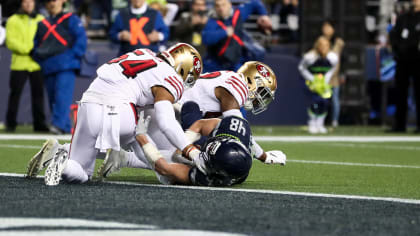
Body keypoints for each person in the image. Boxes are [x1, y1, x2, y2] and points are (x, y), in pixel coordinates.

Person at [26, 43, 203, 185]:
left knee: (80, 172)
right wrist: (191, 151)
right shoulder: (170, 78)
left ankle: (63, 160)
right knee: (146, 146)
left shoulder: (143, 53)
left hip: (88, 104)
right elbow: (166, 122)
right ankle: (121, 157)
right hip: (119, 111)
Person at [96, 62, 286, 181]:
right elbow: (238, 133)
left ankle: (121, 156)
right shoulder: (235, 86)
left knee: (188, 156)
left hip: (171, 112)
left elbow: (238, 133)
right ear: (251, 82)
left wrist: (262, 155)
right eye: (261, 92)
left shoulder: (230, 83)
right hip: (164, 110)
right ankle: (123, 156)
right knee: (197, 159)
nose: (261, 99)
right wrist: (263, 156)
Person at [32, 0, 87, 134]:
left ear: (63, 1)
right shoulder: (41, 24)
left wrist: (71, 57)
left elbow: (81, 40)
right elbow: (35, 45)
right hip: (49, 65)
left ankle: (58, 125)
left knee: (62, 96)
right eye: (49, 1)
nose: (51, 3)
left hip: (65, 65)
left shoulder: (72, 19)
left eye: (55, 0)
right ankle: (65, 126)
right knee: (52, 98)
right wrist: (41, 60)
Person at [4, 0, 49, 132]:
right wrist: (29, 50)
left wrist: (35, 50)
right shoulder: (13, 20)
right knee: (15, 95)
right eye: (26, 2)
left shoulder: (41, 19)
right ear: (21, 4)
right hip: (19, 64)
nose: (28, 4)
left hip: (36, 64)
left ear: (35, 4)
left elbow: (46, 38)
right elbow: (11, 41)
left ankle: (39, 124)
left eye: (31, 2)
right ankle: (10, 124)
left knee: (38, 95)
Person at [201, 0, 272, 72]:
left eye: (223, 5)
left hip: (236, 62)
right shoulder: (212, 21)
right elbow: (206, 39)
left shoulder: (238, 13)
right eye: (217, 5)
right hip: (217, 62)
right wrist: (224, 32)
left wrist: (264, 15)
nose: (221, 8)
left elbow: (255, 3)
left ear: (230, 4)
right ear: (215, 7)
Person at [389, 0, 420, 133]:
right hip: (402, 60)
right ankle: (399, 124)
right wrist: (396, 50)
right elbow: (394, 35)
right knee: (400, 93)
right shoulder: (404, 17)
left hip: (418, 60)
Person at [298, 36, 338, 134]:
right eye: (322, 46)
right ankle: (312, 123)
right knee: (314, 103)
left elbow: (333, 68)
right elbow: (301, 68)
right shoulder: (310, 57)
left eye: (326, 46)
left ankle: (320, 124)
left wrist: (326, 79)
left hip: (324, 84)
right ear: (318, 46)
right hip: (311, 83)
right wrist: (312, 79)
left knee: (324, 103)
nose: (324, 48)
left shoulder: (332, 57)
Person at [319, 19, 345, 128]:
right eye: (324, 27)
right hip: (323, 75)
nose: (325, 29)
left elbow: (343, 59)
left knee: (335, 99)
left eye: (328, 27)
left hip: (334, 75)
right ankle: (320, 120)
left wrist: (343, 73)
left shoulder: (339, 42)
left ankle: (334, 120)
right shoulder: (321, 41)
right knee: (322, 99)